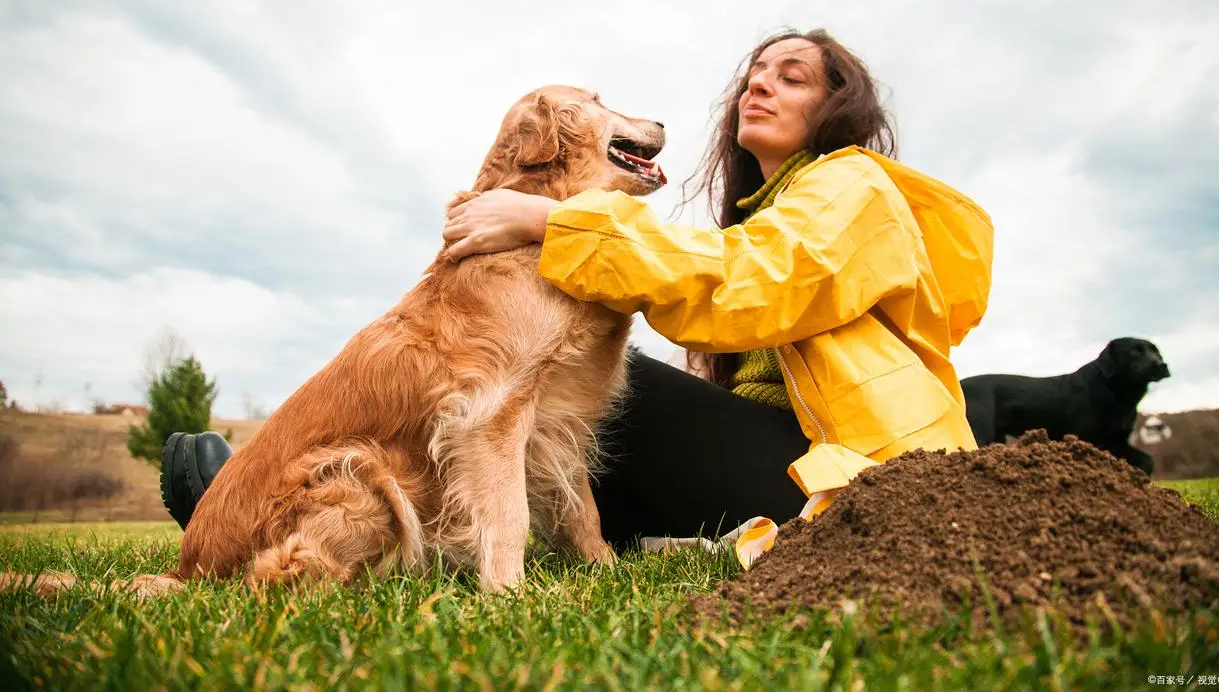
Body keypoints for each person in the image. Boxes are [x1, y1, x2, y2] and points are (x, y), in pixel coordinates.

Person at [162, 29, 994, 559]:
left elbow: (746, 282)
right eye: (752, 76)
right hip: (795, 458)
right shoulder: (770, 206)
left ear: (836, 108)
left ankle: (246, 499)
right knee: (541, 395)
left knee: (581, 388)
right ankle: (271, 503)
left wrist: (543, 220)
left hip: (860, 477)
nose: (759, 87)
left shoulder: (853, 188)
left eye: (792, 77)